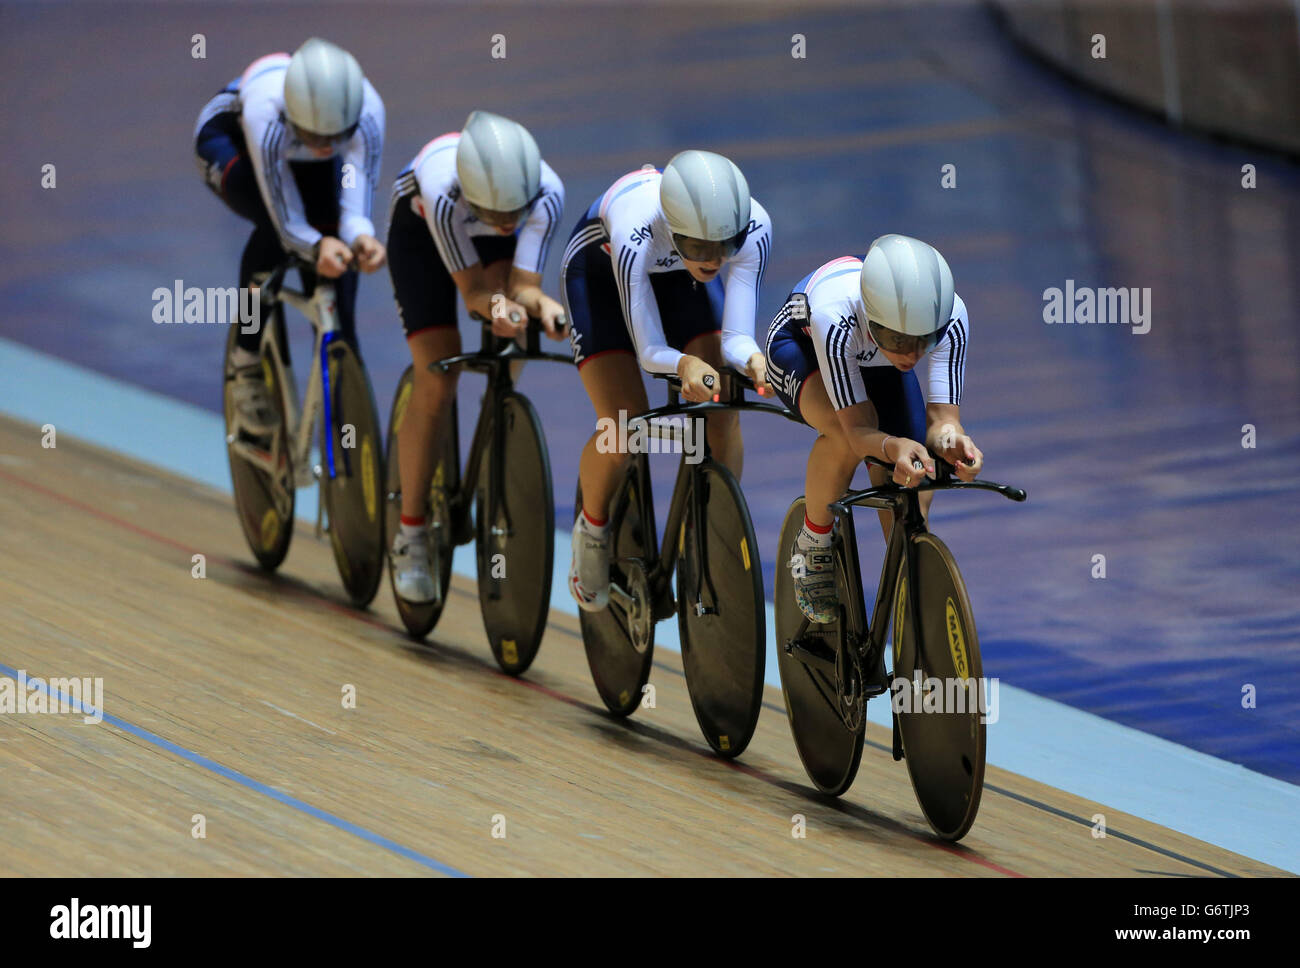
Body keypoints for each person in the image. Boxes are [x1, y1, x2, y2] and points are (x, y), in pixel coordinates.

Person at [562, 150, 772, 611]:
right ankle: (593, 529)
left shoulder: (752, 227)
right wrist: (683, 366)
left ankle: (709, 533)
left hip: (680, 283)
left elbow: (736, 338)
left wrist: (752, 357)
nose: (715, 260)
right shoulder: (635, 231)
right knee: (622, 427)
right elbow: (650, 351)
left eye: (724, 247)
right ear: (672, 227)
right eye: (699, 247)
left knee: (720, 412)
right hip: (600, 280)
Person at [386, 111, 567, 602]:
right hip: (423, 237)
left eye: (517, 212)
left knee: (515, 331)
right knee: (438, 375)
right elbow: (474, 293)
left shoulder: (546, 192)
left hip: (483, 231)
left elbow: (524, 288)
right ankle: (412, 531)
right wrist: (496, 305)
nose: (510, 221)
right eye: (499, 213)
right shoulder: (442, 194)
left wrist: (542, 306)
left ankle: (495, 417)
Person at [764, 234, 982, 623]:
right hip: (802, 349)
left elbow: (942, 422)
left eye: (923, 341)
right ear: (871, 316)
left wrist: (953, 442)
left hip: (872, 357)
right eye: (899, 340)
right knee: (844, 437)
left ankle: (909, 622)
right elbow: (859, 431)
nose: (912, 354)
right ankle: (813, 543)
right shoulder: (836, 314)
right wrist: (890, 446)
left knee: (912, 494)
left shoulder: (951, 316)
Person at [194, 38, 387, 431]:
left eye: (334, 137)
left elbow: (356, 197)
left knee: (337, 250)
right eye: (315, 135)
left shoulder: (368, 113)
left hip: (289, 150)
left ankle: (342, 358)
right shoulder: (267, 110)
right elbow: (286, 219)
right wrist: (315, 244)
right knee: (273, 233)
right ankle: (245, 360)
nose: (325, 147)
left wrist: (360, 237)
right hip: (231, 144)